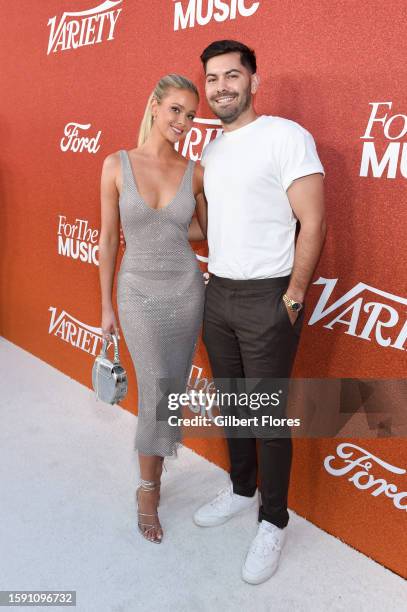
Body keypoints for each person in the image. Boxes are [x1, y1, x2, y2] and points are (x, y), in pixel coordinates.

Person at [192, 40, 326, 584]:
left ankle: (274, 520)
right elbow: (209, 230)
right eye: (212, 79)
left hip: (270, 295)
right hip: (218, 292)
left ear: (254, 81)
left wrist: (292, 298)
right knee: (233, 402)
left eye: (232, 75)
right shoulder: (212, 152)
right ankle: (242, 489)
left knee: (267, 416)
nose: (221, 86)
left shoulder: (286, 137)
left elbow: (313, 224)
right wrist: (156, 217)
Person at [98, 74, 207, 544]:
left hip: (185, 289)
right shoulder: (116, 165)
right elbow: (106, 239)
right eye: (176, 110)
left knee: (170, 392)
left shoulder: (195, 171)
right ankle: (148, 490)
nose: (182, 121)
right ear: (156, 106)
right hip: (136, 291)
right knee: (156, 390)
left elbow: (204, 232)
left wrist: (164, 232)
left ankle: (152, 480)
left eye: (190, 114)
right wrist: (105, 306)